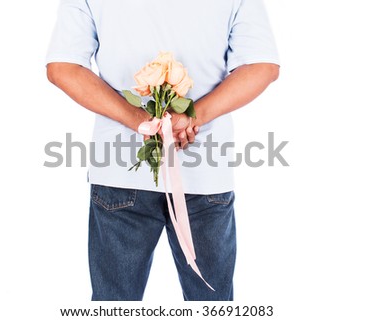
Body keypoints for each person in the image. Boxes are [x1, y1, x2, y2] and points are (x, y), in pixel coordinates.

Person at [46, 0, 279, 301]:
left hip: (119, 169)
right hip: (204, 171)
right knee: (212, 307)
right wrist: (194, 116)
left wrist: (139, 120)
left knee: (113, 307)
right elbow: (262, 65)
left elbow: (62, 67)